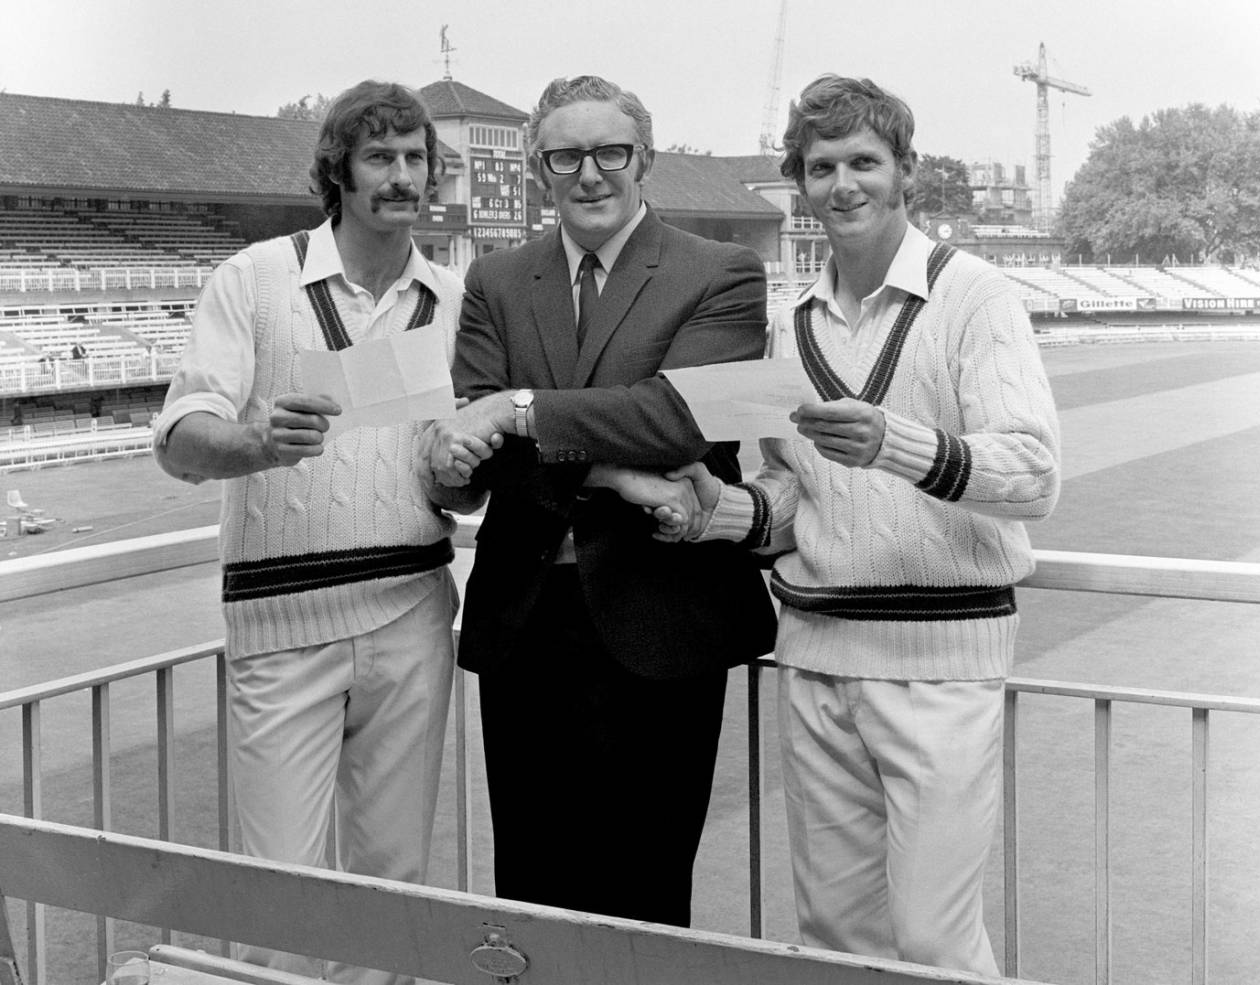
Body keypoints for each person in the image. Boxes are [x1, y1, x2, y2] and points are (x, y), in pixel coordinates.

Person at [656, 75, 1061, 974]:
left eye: (865, 162)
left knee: (932, 938)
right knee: (838, 943)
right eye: (822, 166)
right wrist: (714, 511)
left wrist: (896, 443)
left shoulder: (975, 296)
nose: (844, 185)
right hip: (816, 654)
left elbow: (1033, 474)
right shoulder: (787, 318)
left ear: (905, 172)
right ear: (799, 181)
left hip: (941, 663)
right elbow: (793, 493)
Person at [422, 74, 777, 927]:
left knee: (646, 891)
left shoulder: (721, 272)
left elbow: (680, 421)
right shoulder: (497, 280)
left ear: (643, 158)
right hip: (527, 621)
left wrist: (521, 409)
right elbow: (489, 453)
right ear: (541, 166)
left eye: (609, 152)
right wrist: (619, 470)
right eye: (566, 155)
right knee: (533, 891)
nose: (590, 174)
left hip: (662, 619)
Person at [152, 80, 461, 985]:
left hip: (411, 612)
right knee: (281, 896)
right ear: (339, 170)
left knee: (393, 886)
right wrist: (255, 442)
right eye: (380, 158)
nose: (400, 177)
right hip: (283, 623)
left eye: (414, 159)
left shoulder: (450, 296)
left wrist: (464, 469)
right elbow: (179, 440)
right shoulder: (252, 278)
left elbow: (459, 473)